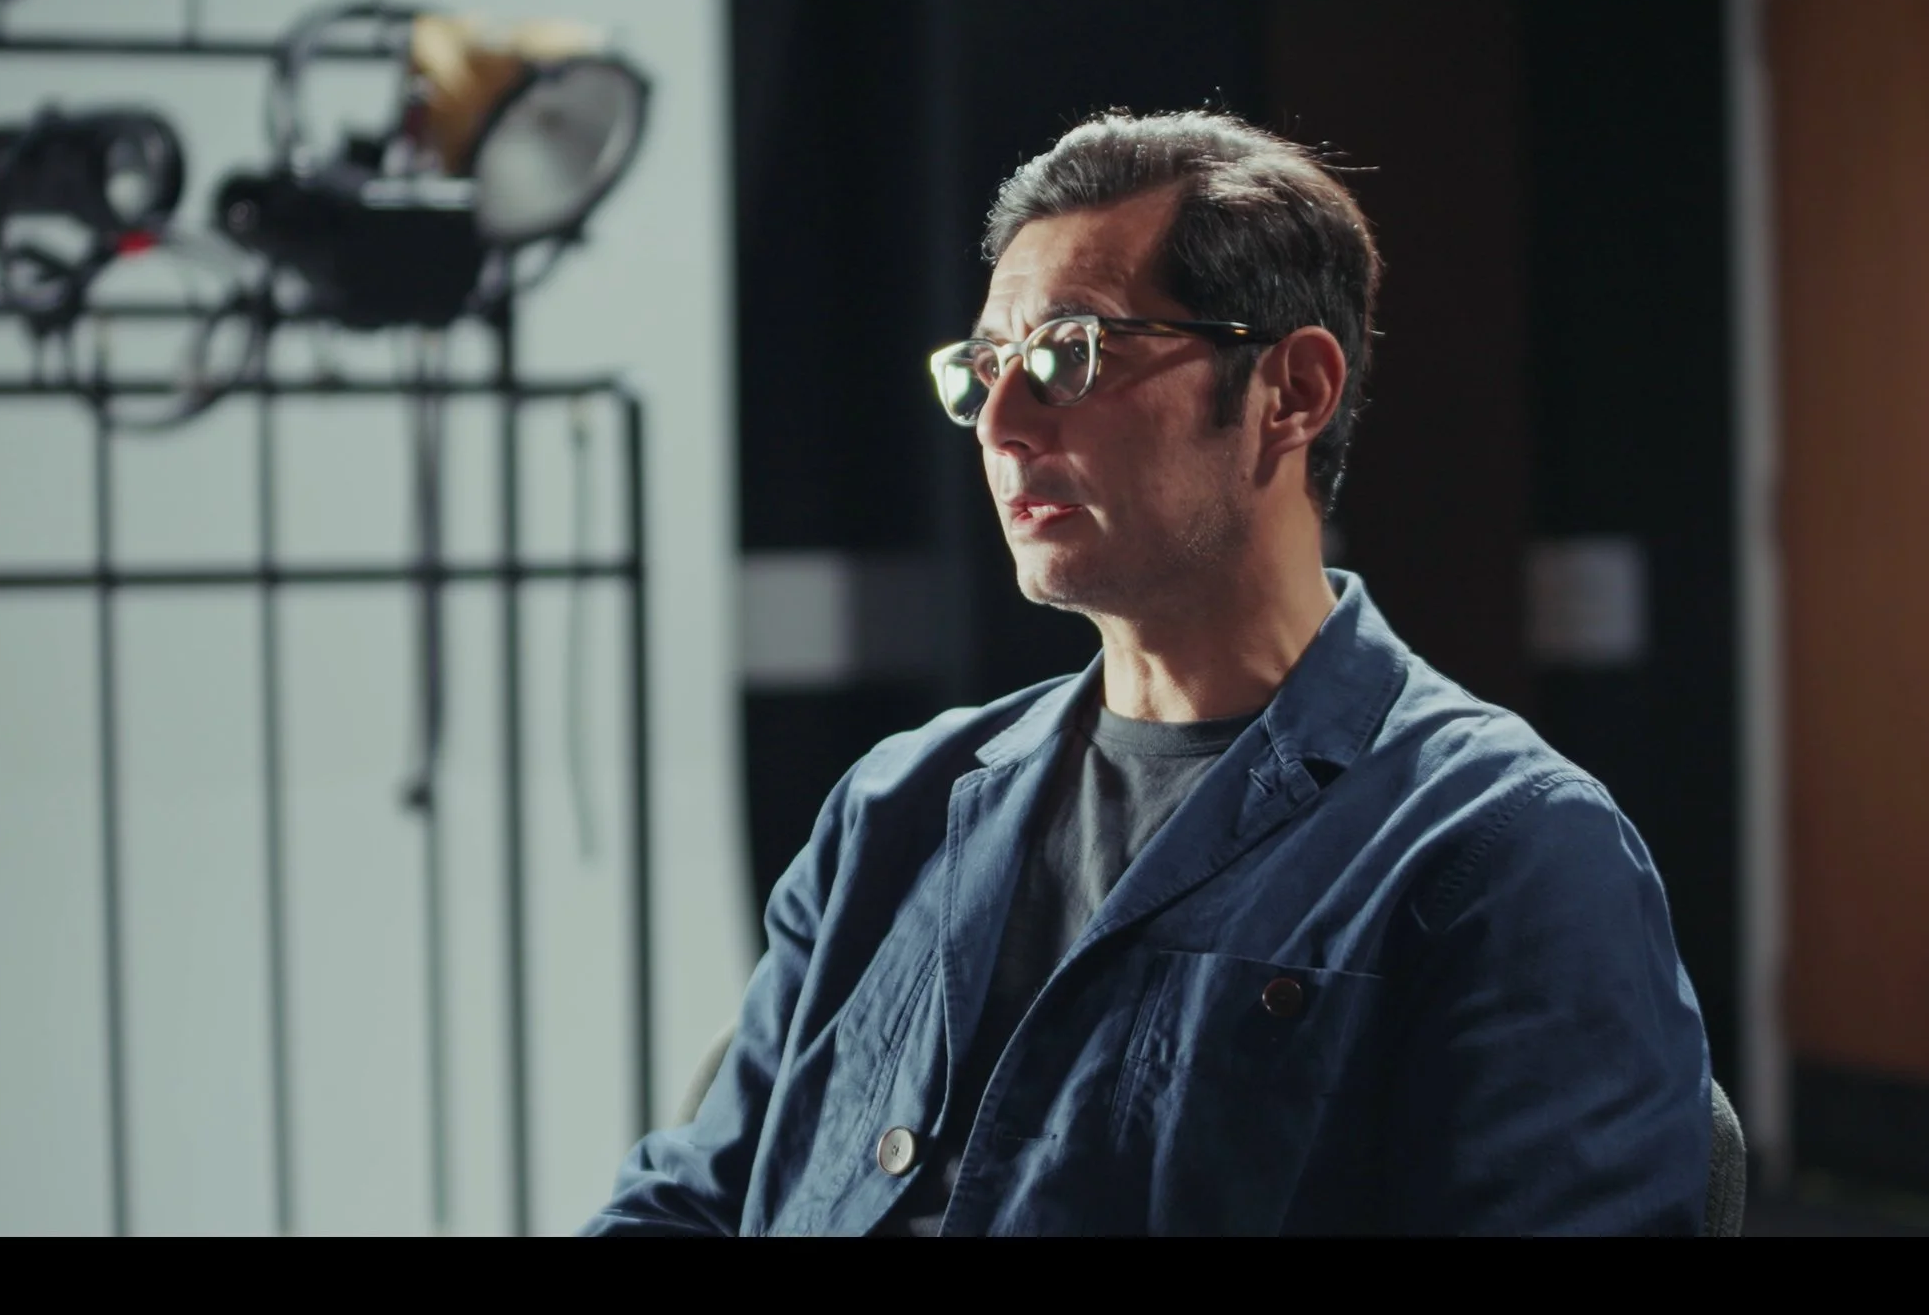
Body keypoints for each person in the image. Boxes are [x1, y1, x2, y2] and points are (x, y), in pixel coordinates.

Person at [582, 109, 1712, 1236]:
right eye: (987, 367)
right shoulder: (897, 806)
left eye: (1071, 354)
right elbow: (690, 1197)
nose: (1003, 424)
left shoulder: (1500, 848)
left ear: (1292, 392)